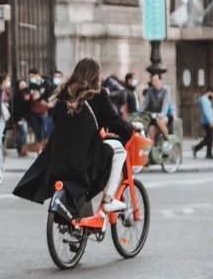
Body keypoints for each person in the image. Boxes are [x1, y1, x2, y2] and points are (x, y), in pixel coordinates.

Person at [13, 58, 135, 214]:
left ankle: (80, 215)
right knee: (119, 151)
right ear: (95, 76)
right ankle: (108, 199)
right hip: (83, 159)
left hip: (58, 157)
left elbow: (58, 120)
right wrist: (131, 129)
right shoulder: (98, 95)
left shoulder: (63, 93)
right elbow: (115, 122)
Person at [141, 70, 173, 139]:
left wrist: (162, 113)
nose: (154, 82)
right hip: (155, 115)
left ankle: (167, 139)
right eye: (152, 81)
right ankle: (151, 149)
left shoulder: (166, 90)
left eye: (155, 80)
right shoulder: (150, 90)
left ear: (160, 80)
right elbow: (145, 103)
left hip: (166, 115)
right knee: (151, 130)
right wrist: (139, 111)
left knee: (160, 122)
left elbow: (166, 104)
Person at [192, 87, 213, 159]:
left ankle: (209, 153)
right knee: (210, 137)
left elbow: (211, 109)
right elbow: (207, 111)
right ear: (209, 92)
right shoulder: (204, 99)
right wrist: (210, 122)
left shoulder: (207, 99)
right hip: (207, 121)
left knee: (210, 137)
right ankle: (196, 148)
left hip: (208, 120)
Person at [11, 79, 31, 156]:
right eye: (21, 84)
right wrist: (18, 119)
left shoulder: (28, 93)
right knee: (23, 133)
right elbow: (16, 108)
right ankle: (19, 148)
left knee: (24, 134)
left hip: (27, 117)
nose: (23, 86)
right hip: (21, 118)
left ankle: (23, 151)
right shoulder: (17, 95)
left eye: (24, 84)